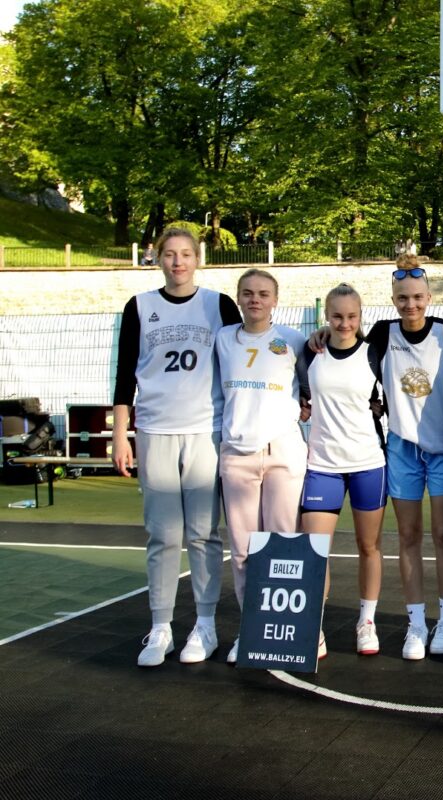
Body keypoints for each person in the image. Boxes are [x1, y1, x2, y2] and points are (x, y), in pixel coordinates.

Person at [111, 227, 242, 667]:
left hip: (205, 430)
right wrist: (120, 435)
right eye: (170, 254)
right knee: (162, 534)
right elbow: (124, 375)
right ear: (157, 258)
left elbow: (243, 358)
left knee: (204, 533)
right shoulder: (139, 306)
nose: (178, 262)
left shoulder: (219, 305)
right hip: (155, 431)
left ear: (198, 259)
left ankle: (205, 625)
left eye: (186, 254)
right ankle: (161, 626)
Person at [367, 258, 443, 660]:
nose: (410, 304)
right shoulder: (382, 334)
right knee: (408, 536)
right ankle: (416, 624)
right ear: (393, 300)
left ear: (429, 297)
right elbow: (347, 351)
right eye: (402, 298)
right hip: (402, 448)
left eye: (417, 297)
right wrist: (321, 336)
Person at [215, 268, 308, 664]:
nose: (255, 299)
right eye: (248, 293)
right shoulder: (222, 339)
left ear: (275, 300)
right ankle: (250, 628)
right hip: (237, 455)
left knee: (282, 544)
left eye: (263, 293)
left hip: (283, 451)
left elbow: (312, 385)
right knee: (242, 551)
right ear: (238, 298)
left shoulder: (293, 340)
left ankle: (284, 630)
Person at [299, 283, 387, 658]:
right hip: (322, 466)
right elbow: (298, 395)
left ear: (360, 316)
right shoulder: (310, 352)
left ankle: (366, 622)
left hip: (368, 463)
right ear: (326, 316)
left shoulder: (374, 353)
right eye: (336, 316)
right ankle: (314, 625)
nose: (344, 323)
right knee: (316, 549)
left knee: (369, 546)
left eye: (352, 316)